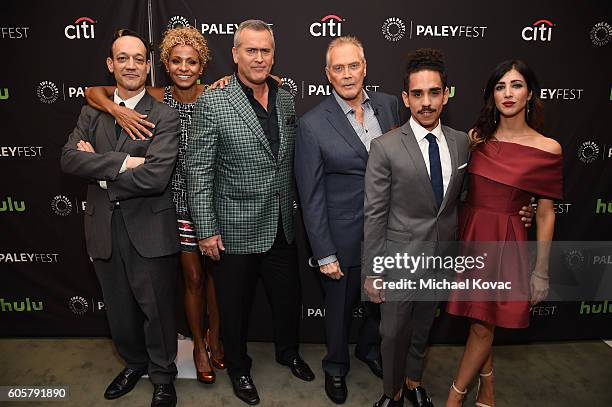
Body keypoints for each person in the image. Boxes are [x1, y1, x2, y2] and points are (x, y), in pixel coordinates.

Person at [362, 49, 533, 407]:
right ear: (406, 98)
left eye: (434, 92)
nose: (426, 103)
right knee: (392, 333)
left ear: (446, 94)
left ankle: (413, 380)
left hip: (442, 256)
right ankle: (392, 393)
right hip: (398, 260)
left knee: (424, 327)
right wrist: (373, 271)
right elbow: (375, 213)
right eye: (418, 94)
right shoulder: (385, 147)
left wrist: (521, 210)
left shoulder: (462, 142)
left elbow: (477, 195)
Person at [85, 25, 225, 385]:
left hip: (211, 197)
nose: (183, 67)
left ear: (201, 65)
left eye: (191, 62)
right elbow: (93, 91)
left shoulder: (216, 93)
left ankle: (215, 337)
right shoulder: (157, 95)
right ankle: (197, 345)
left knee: (216, 278)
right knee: (192, 277)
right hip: (174, 199)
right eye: (175, 61)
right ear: (162, 65)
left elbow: (262, 78)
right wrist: (119, 113)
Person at [186, 19, 314, 406]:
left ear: (274, 55)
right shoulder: (213, 101)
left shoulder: (286, 96)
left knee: (288, 297)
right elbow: (198, 171)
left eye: (265, 51)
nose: (259, 57)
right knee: (235, 308)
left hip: (281, 225)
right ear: (235, 54)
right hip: (234, 227)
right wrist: (206, 231)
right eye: (251, 50)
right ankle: (239, 368)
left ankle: (288, 352)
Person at [61, 29, 180, 407]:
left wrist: (97, 170)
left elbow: (157, 175)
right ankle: (134, 364)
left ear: (148, 67)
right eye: (122, 58)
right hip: (103, 227)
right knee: (119, 309)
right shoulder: (91, 111)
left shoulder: (164, 115)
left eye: (138, 58)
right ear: (111, 65)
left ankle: (162, 376)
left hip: (148, 227)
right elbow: (68, 159)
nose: (131, 65)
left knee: (157, 309)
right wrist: (125, 162)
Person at [445, 60, 562, 407]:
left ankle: (455, 396)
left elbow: (544, 213)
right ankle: (488, 383)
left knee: (483, 323)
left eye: (516, 85)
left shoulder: (547, 148)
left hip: (505, 241)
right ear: (491, 95)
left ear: (530, 94)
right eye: (500, 87)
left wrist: (540, 271)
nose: (508, 94)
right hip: (470, 236)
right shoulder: (475, 138)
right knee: (480, 319)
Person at [295, 36, 399, 404]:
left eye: (353, 65)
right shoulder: (312, 124)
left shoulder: (391, 108)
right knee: (338, 312)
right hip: (342, 235)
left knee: (382, 303)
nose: (347, 74)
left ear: (365, 67)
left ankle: (369, 351)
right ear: (327, 75)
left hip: (389, 230)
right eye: (338, 68)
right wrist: (323, 251)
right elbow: (310, 194)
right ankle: (335, 366)